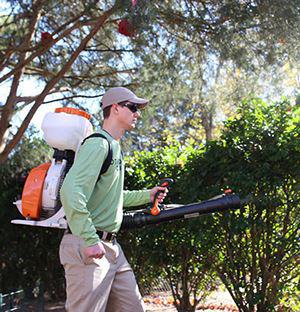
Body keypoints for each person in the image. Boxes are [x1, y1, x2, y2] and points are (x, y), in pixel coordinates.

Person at [59, 87, 167, 312]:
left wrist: (148, 195)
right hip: (88, 246)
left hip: (112, 250)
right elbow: (70, 191)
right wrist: (89, 239)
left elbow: (113, 196)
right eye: (133, 107)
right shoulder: (99, 144)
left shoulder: (114, 147)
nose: (137, 113)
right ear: (116, 109)